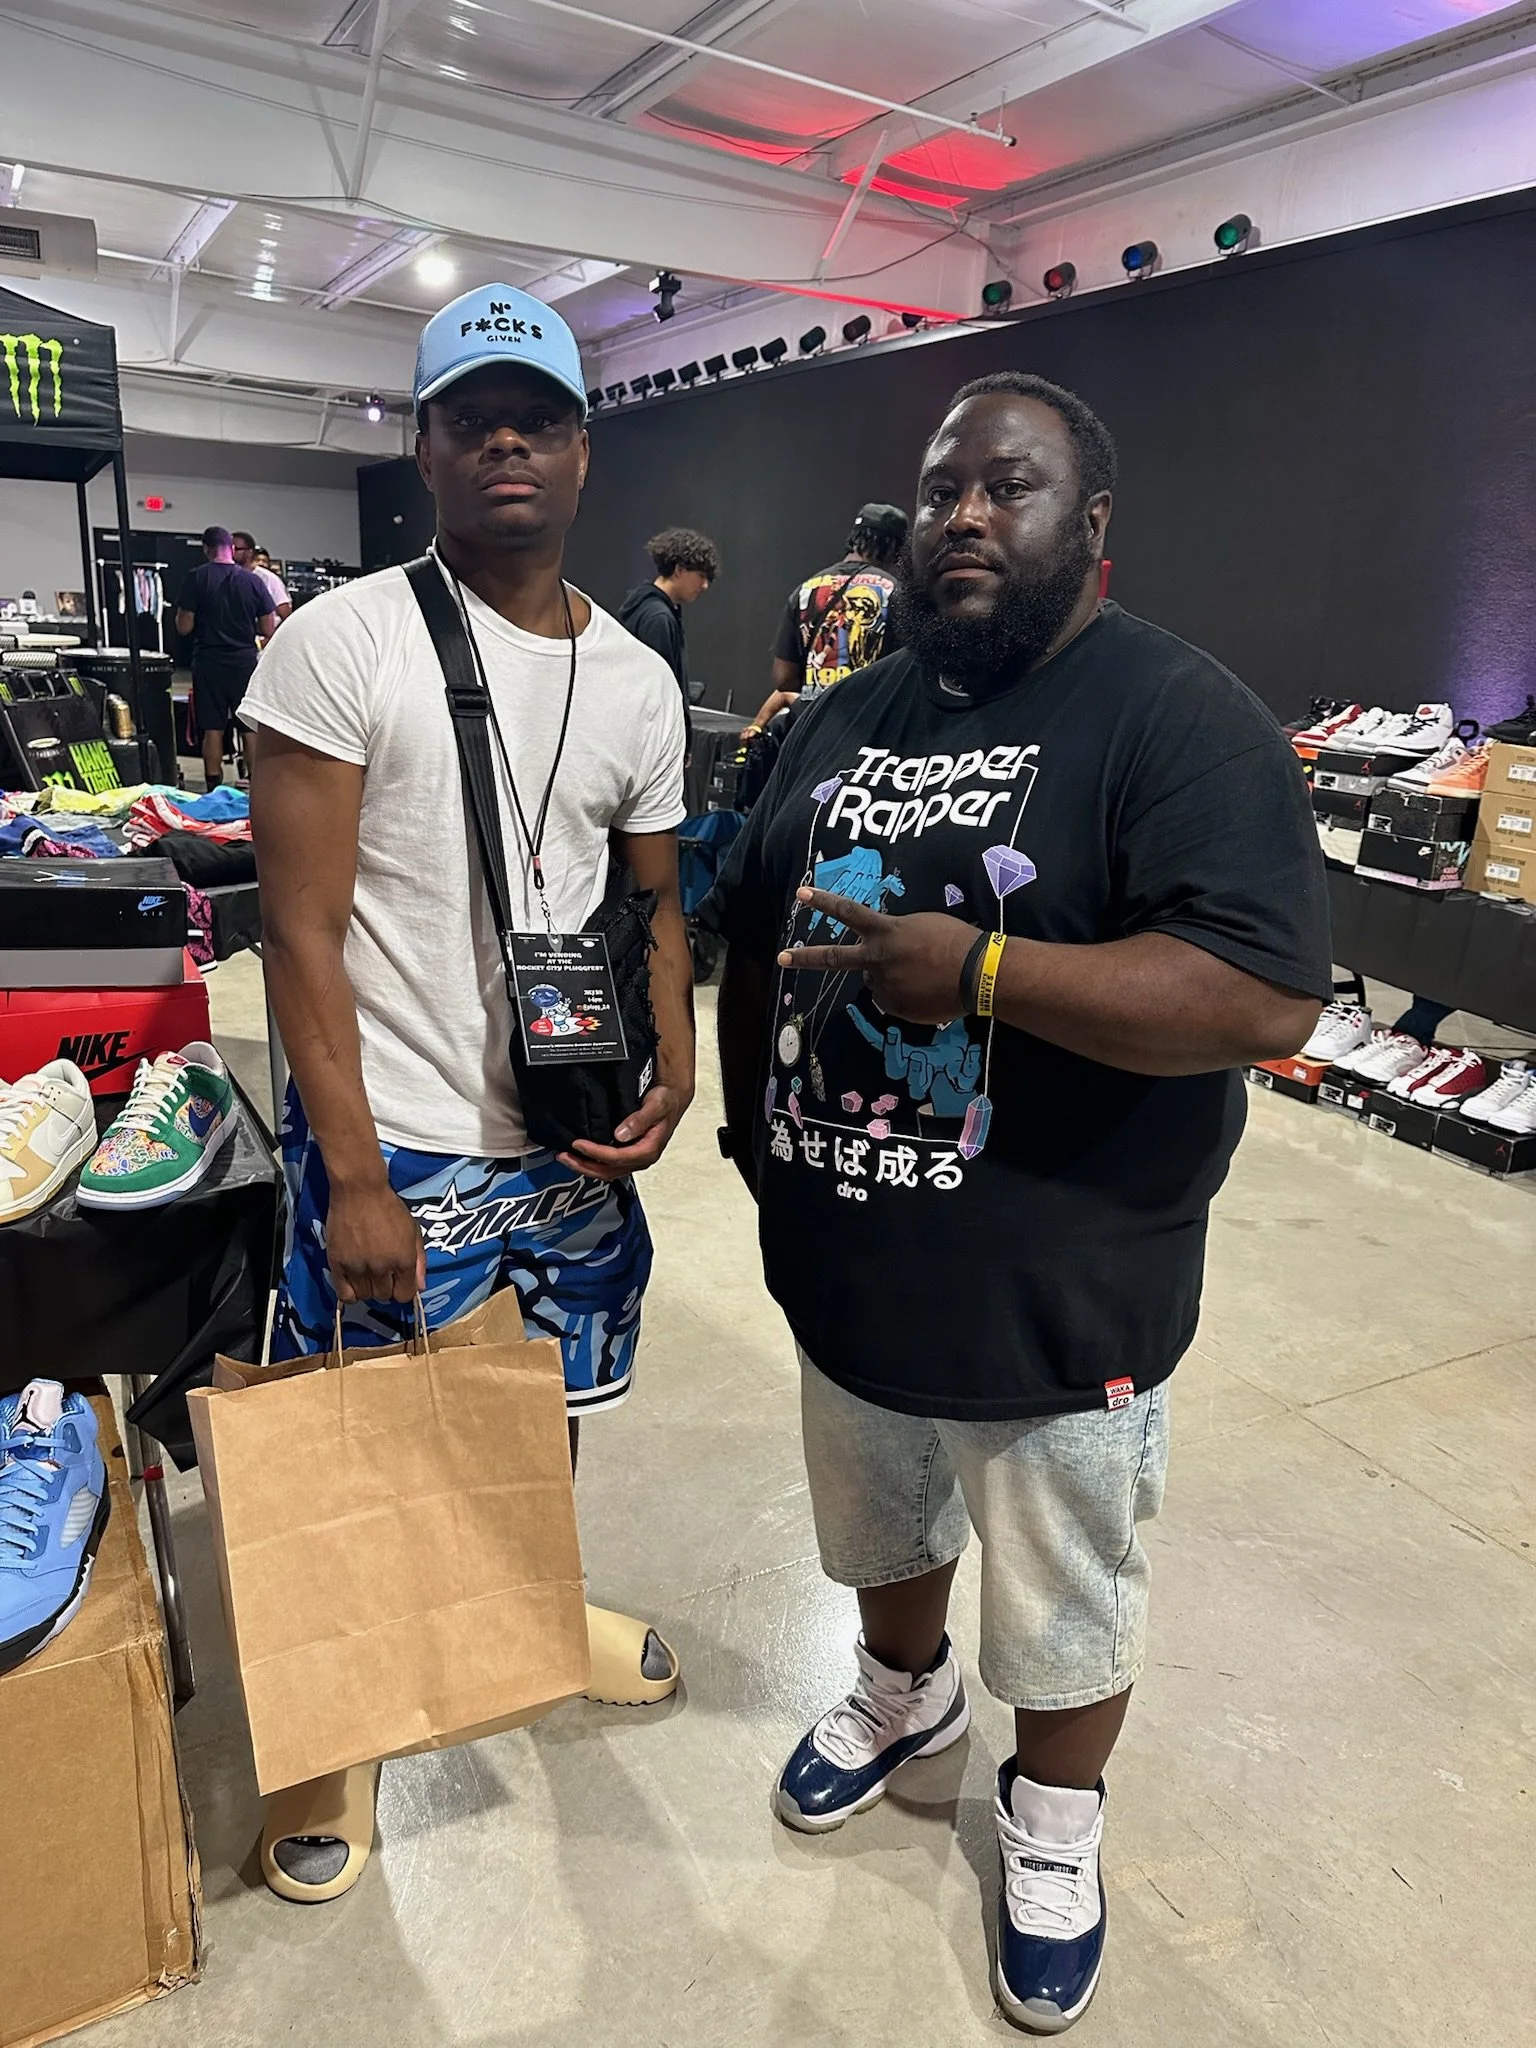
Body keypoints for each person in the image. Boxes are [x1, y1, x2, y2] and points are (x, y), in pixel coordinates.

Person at [704, 371, 1330, 2031]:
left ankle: (1053, 1815)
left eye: (1012, 487)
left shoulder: (1175, 715)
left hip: (1065, 1284)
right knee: (877, 1528)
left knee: (1058, 1581)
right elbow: (756, 924)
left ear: (1091, 525)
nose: (966, 515)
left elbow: (1261, 994)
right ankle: (903, 1697)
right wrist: (748, 1142)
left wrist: (979, 970)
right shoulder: (846, 716)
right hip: (848, 1253)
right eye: (942, 488)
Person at [242, 282, 696, 1901]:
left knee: (543, 1413)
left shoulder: (638, 675)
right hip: (403, 1133)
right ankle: (331, 1741)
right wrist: (351, 1169)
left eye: (539, 416)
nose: (507, 441)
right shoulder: (336, 640)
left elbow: (650, 897)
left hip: (570, 1135)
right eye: (470, 417)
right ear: (425, 448)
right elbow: (295, 933)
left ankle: (520, 1611)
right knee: (358, 1439)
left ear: (583, 447)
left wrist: (678, 1059)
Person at [746, 501, 907, 732]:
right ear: (895, 547)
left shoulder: (806, 590)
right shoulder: (896, 593)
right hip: (866, 728)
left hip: (809, 726)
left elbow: (783, 678)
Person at [174, 525, 276, 790]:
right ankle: (256, 788)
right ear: (231, 549)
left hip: (208, 662)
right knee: (248, 726)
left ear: (206, 549)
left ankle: (213, 788)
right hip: (244, 662)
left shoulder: (196, 577)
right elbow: (268, 626)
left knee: (212, 727)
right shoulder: (252, 581)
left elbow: (184, 626)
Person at [618, 526, 719, 749]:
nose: (704, 585)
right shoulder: (658, 618)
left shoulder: (648, 609)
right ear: (679, 570)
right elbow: (657, 694)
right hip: (652, 743)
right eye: (701, 576)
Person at [231, 531, 293, 624]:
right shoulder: (228, 577)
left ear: (249, 552)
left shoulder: (268, 579)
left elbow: (286, 615)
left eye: (236, 549)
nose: (231, 552)